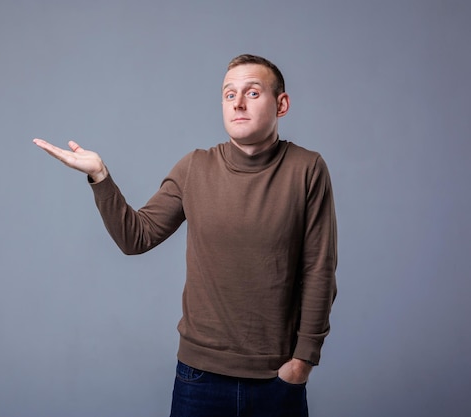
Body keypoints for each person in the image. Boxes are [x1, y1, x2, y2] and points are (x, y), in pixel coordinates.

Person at [33, 54, 337, 417]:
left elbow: (319, 270)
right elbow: (136, 237)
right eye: (229, 94)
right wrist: (100, 176)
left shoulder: (307, 169)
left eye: (252, 93)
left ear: (281, 104)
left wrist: (303, 361)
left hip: (276, 379)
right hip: (200, 378)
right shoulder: (195, 167)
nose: (238, 103)